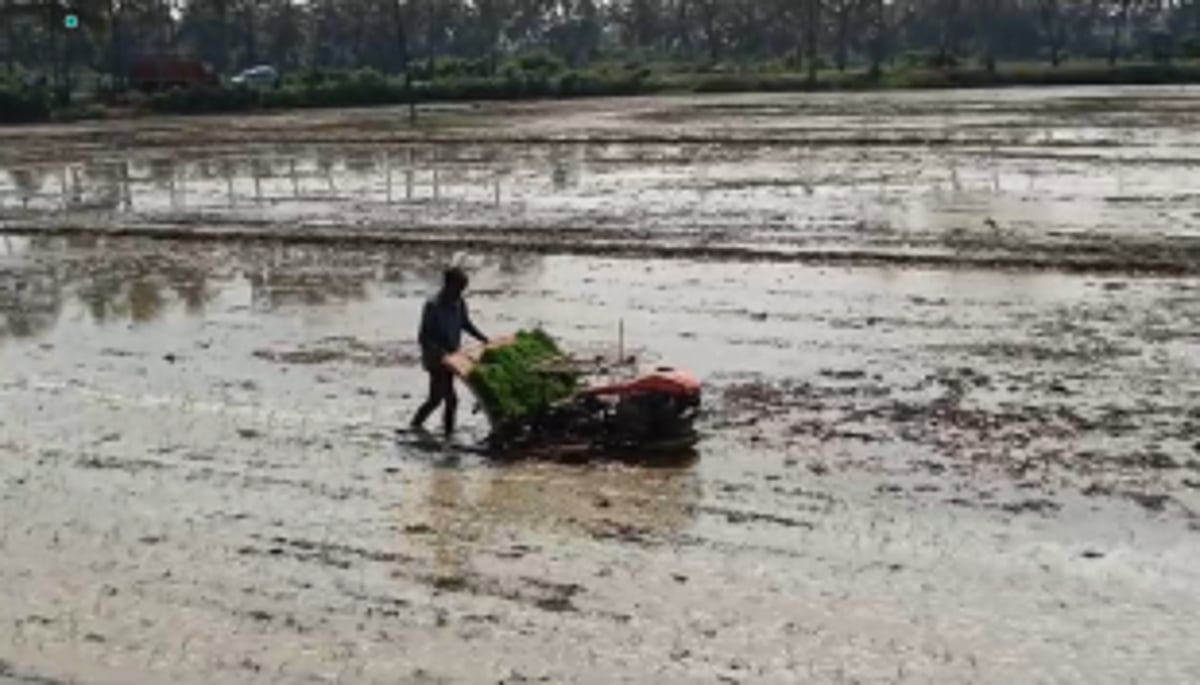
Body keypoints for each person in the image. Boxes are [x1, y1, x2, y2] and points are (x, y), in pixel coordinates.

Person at [409, 266, 488, 436]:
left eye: (462, 289)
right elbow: (424, 337)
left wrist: (484, 339)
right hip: (435, 360)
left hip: (452, 358)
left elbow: (466, 324)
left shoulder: (459, 303)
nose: (460, 293)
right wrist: (440, 352)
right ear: (448, 285)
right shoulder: (433, 305)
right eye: (458, 288)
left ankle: (415, 426)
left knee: (435, 399)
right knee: (451, 400)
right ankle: (448, 437)